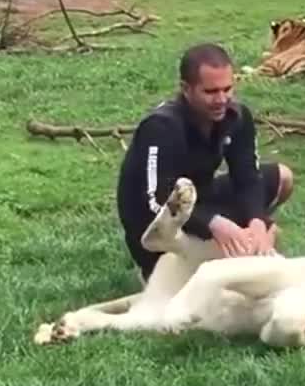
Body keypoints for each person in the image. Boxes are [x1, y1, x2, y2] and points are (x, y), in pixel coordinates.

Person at [116, 43, 295, 282]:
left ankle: (244, 243)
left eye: (227, 89)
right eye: (210, 92)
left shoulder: (237, 116)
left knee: (281, 177)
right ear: (186, 89)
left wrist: (256, 220)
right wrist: (213, 223)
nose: (222, 99)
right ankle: (160, 267)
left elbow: (248, 177)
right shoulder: (161, 126)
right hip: (156, 224)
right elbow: (155, 199)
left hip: (199, 198)